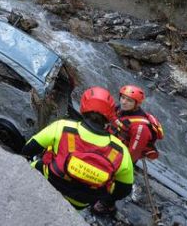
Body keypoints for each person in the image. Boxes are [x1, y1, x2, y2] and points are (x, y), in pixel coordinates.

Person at [22, 86, 134, 211]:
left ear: (83, 107)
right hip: (80, 203)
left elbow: (28, 149)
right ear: (109, 115)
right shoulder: (121, 151)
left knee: (37, 162)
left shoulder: (62, 127)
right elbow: (124, 189)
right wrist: (103, 198)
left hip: (49, 182)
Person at [91, 84, 164, 216]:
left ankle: (107, 203)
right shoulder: (120, 109)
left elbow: (132, 155)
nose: (124, 102)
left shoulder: (140, 127)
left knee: (114, 181)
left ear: (136, 104)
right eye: (123, 98)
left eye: (129, 100)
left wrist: (118, 168)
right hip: (111, 145)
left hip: (123, 155)